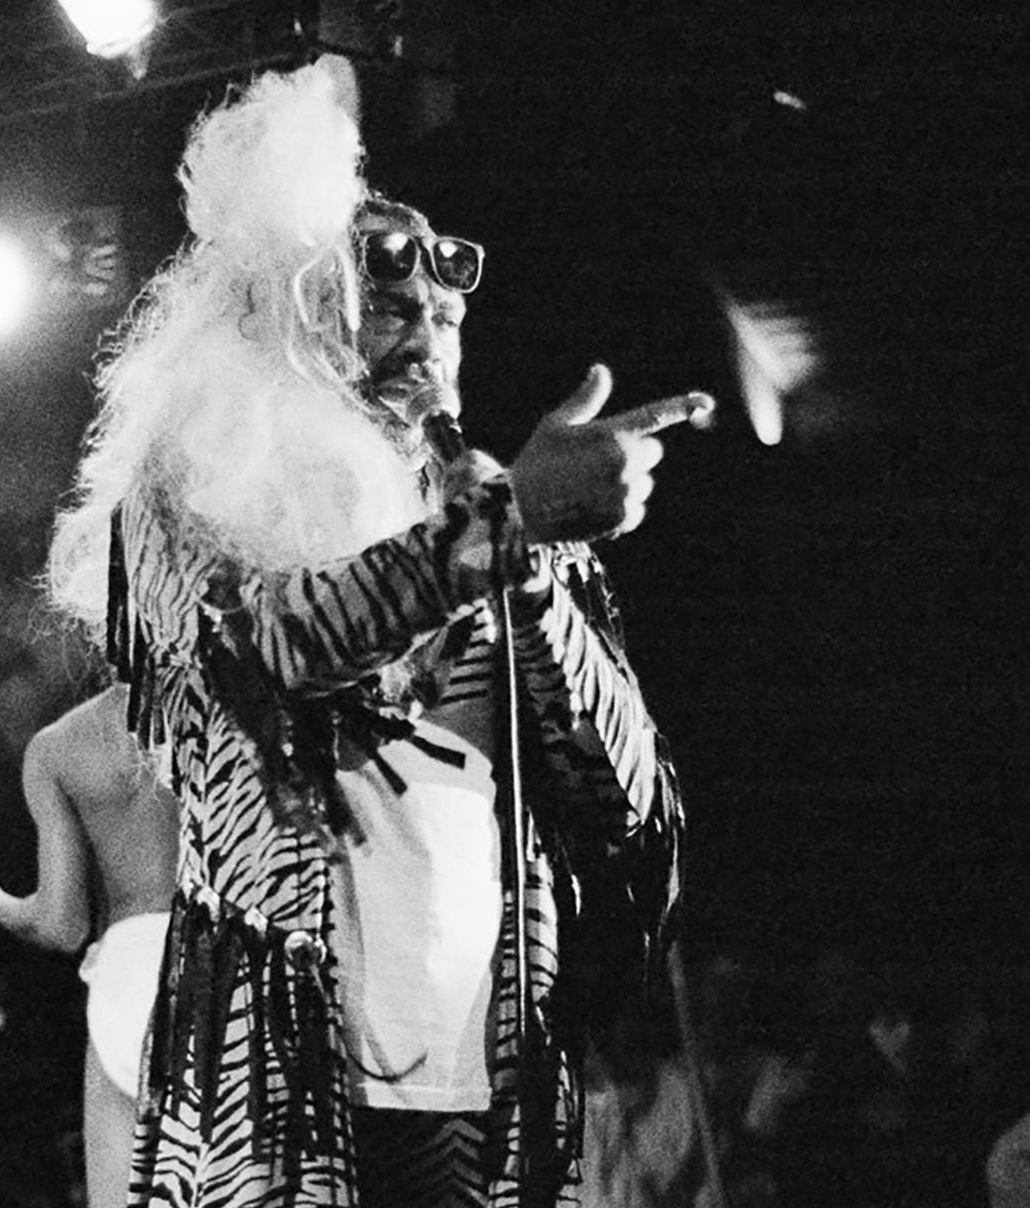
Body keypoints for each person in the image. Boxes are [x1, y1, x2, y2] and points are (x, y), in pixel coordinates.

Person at [46, 62, 712, 1207]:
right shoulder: (191, 483)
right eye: (391, 301)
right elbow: (265, 655)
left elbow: (627, 803)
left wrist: (534, 559)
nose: (429, 326)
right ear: (285, 308)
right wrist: (505, 527)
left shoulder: (500, 523)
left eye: (445, 312)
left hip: (487, 1060)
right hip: (284, 1073)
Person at [0, 682, 180, 1208]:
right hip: (227, 966)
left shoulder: (60, 744)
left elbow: (61, 925)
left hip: (126, 972)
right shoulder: (236, 709)